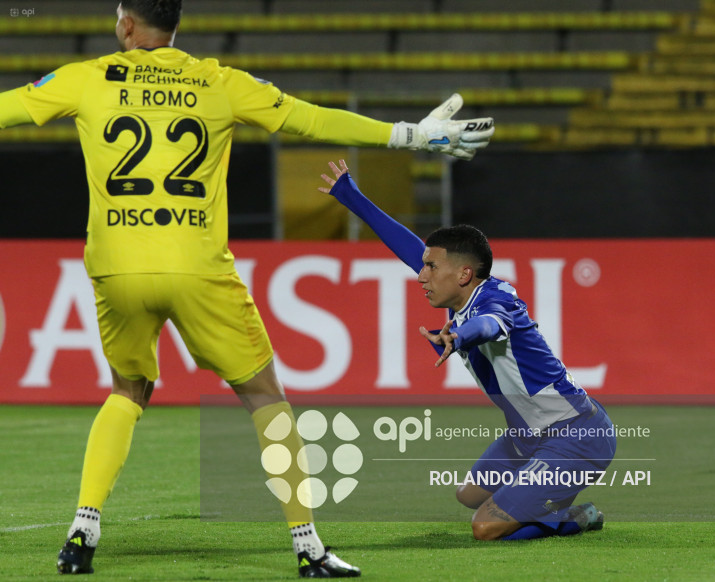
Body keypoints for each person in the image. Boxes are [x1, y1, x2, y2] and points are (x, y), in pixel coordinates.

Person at [0, 1, 495, 577]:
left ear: (126, 25)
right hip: (197, 266)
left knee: (126, 391)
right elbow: (310, 119)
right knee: (264, 396)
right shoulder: (218, 81)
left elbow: (6, 110)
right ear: (173, 25)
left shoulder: (87, 77)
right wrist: (408, 134)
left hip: (116, 264)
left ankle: (82, 530)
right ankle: (309, 547)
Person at [319, 159, 616, 542]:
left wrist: (458, 338)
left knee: (486, 526)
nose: (421, 275)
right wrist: (349, 195)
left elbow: (489, 326)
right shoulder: (457, 292)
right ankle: (547, 497)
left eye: (429, 267)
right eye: (422, 266)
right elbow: (405, 244)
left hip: (576, 435)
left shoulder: (496, 300)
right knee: (469, 495)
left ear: (462, 274)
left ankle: (576, 517)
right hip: (529, 435)